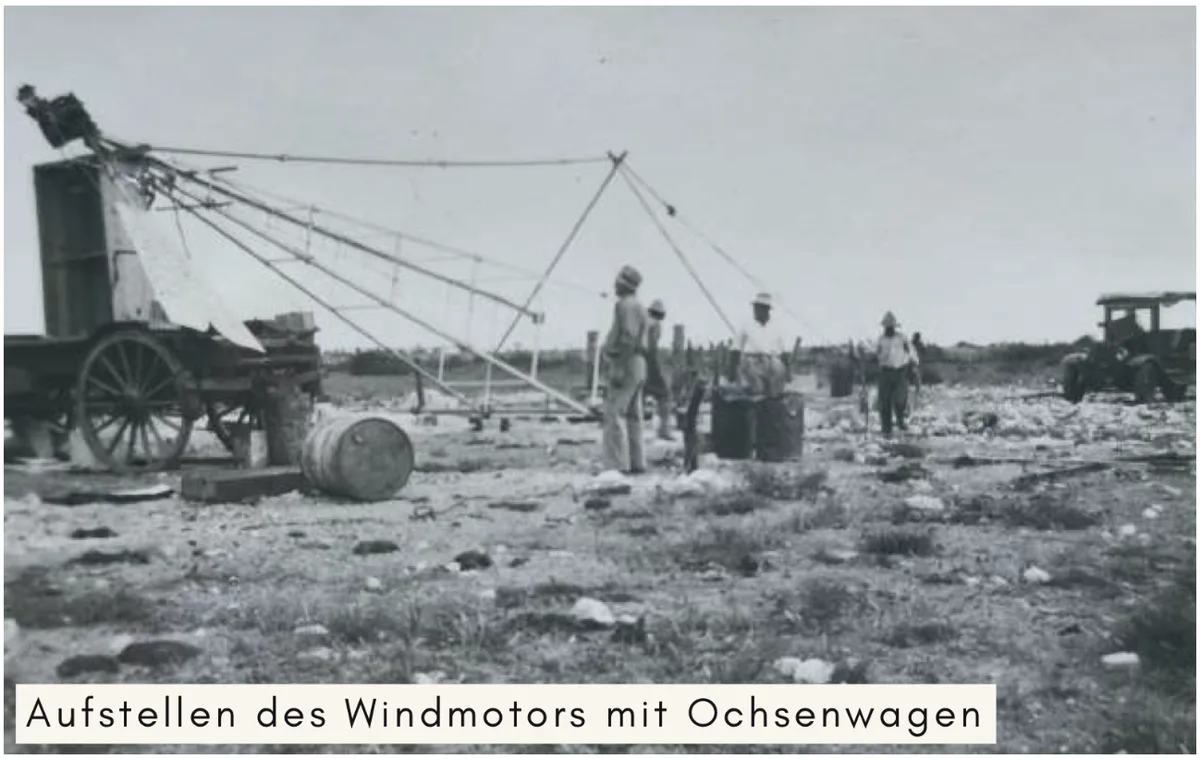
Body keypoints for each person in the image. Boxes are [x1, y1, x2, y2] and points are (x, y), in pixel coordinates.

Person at [602, 265, 650, 474]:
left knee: (615, 414)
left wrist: (619, 367)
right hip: (639, 363)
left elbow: (628, 337)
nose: (614, 285)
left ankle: (617, 465)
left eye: (618, 282)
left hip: (626, 361)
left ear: (624, 284)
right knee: (634, 416)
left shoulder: (624, 306)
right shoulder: (640, 307)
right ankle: (637, 462)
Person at [731, 293, 791, 397]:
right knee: (758, 387)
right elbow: (735, 349)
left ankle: (774, 397)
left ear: (766, 310)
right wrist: (731, 371)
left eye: (759, 308)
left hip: (770, 360)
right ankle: (758, 394)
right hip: (751, 359)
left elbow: (783, 352)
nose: (756, 311)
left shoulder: (776, 327)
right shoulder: (746, 326)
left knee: (779, 370)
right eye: (755, 308)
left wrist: (788, 371)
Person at [874, 311, 918, 437]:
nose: (888, 329)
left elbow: (911, 353)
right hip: (885, 371)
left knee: (900, 399)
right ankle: (886, 428)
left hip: (900, 371)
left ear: (894, 327)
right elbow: (876, 354)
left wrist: (914, 366)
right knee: (884, 401)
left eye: (890, 327)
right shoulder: (880, 340)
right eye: (887, 327)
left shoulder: (902, 338)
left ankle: (900, 422)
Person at [644, 299, 674, 441]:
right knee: (665, 396)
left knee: (636, 398)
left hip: (636, 365)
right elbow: (651, 348)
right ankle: (664, 430)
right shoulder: (655, 325)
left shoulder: (642, 323)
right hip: (649, 364)